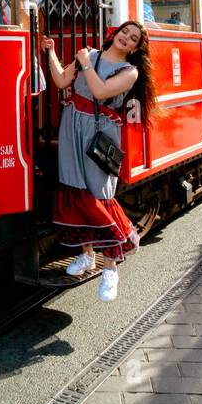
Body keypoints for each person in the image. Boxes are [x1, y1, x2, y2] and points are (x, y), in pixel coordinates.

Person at [43, 20, 154, 303]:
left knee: (98, 195)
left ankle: (111, 268)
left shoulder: (129, 71)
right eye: (124, 33)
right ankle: (87, 255)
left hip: (100, 130)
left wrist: (85, 62)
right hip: (72, 126)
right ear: (114, 34)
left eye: (133, 38)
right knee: (75, 189)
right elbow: (60, 81)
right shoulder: (88, 55)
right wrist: (51, 52)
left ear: (136, 48)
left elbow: (101, 92)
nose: (126, 39)